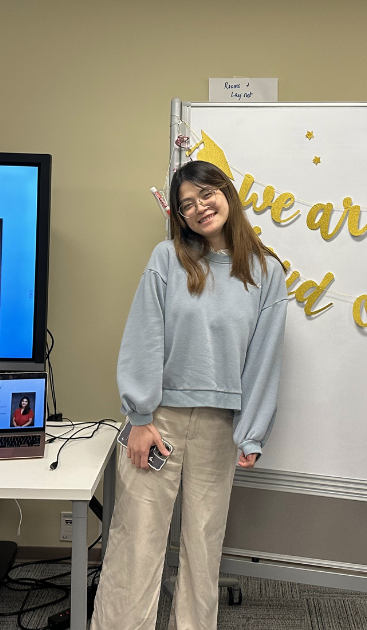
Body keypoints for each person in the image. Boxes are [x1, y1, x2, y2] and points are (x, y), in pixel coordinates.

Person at [92, 160, 290, 630]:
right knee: (136, 540)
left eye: (206, 195)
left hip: (220, 427)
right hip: (157, 420)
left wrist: (252, 432)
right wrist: (139, 418)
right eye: (186, 205)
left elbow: (265, 359)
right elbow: (144, 336)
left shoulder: (266, 271)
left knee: (204, 546)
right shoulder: (167, 258)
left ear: (226, 193)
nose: (200, 208)